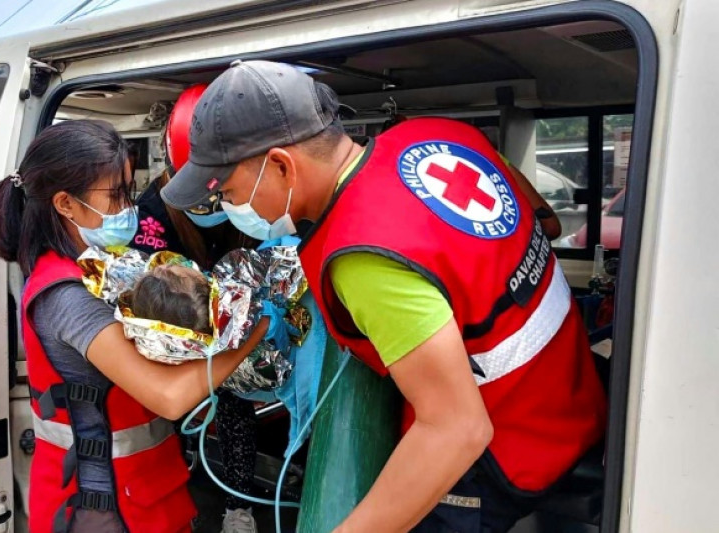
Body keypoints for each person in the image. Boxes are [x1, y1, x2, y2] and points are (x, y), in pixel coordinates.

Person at [161, 60, 607, 533]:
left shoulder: (363, 255)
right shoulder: (440, 135)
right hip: (574, 393)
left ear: (280, 165)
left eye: (230, 192)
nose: (232, 208)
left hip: (508, 448)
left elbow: (456, 429)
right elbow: (540, 221)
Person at [0, 120, 276, 533]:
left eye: (129, 191)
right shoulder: (66, 295)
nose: (129, 208)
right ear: (66, 204)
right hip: (101, 509)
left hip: (145, 494)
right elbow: (170, 398)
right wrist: (256, 328)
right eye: (115, 195)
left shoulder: (100, 268)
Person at [130, 84, 263, 533]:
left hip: (232, 318)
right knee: (171, 409)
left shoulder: (253, 203)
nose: (213, 201)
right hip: (176, 322)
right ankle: (177, 484)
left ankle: (238, 506)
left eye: (222, 189)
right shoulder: (153, 214)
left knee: (235, 400)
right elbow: (152, 289)